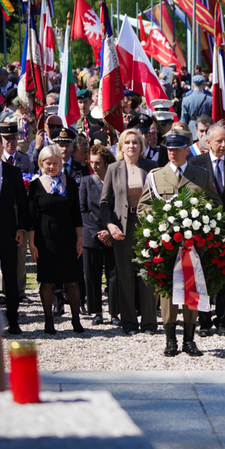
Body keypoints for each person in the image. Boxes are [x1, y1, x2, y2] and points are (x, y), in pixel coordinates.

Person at [138, 132, 221, 356]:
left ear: (187, 149)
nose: (172, 152)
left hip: (192, 246)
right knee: (168, 292)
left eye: (177, 148)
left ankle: (189, 339)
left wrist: (200, 222)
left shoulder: (201, 175)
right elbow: (143, 206)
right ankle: (170, 339)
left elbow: (215, 204)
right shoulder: (156, 176)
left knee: (191, 288)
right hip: (166, 246)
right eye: (169, 149)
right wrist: (160, 222)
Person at [190, 124, 225, 337]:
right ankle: (204, 321)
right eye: (219, 141)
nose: (224, 145)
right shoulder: (196, 163)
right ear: (208, 142)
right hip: (203, 231)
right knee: (203, 275)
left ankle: (222, 319)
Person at [100, 129, 157, 334]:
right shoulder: (113, 169)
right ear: (121, 147)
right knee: (125, 276)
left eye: (135, 142)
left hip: (145, 225)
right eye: (127, 142)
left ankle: (149, 323)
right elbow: (104, 202)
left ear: (141, 146)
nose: (131, 146)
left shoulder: (151, 167)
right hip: (122, 227)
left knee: (147, 274)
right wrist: (109, 225)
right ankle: (129, 323)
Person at [28, 146, 84, 335]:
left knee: (73, 281)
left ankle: (75, 319)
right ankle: (49, 320)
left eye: (55, 163)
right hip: (45, 240)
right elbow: (31, 218)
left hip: (68, 237)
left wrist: (79, 239)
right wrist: (31, 244)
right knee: (47, 282)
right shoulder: (35, 186)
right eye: (48, 163)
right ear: (41, 163)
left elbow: (76, 213)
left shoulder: (71, 183)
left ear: (61, 162)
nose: (52, 167)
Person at [0, 133, 30, 335]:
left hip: (8, 232)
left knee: (10, 277)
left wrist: (21, 228)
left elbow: (22, 203)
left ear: (2, 150)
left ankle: (13, 320)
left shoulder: (13, 172)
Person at [79, 144, 118, 325]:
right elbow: (83, 210)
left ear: (106, 163)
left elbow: (119, 208)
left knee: (113, 274)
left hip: (113, 234)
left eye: (98, 163)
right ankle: (96, 311)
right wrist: (97, 232)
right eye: (92, 162)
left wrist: (110, 231)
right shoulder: (86, 181)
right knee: (92, 275)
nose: (94, 166)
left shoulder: (116, 181)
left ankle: (115, 312)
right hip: (92, 235)